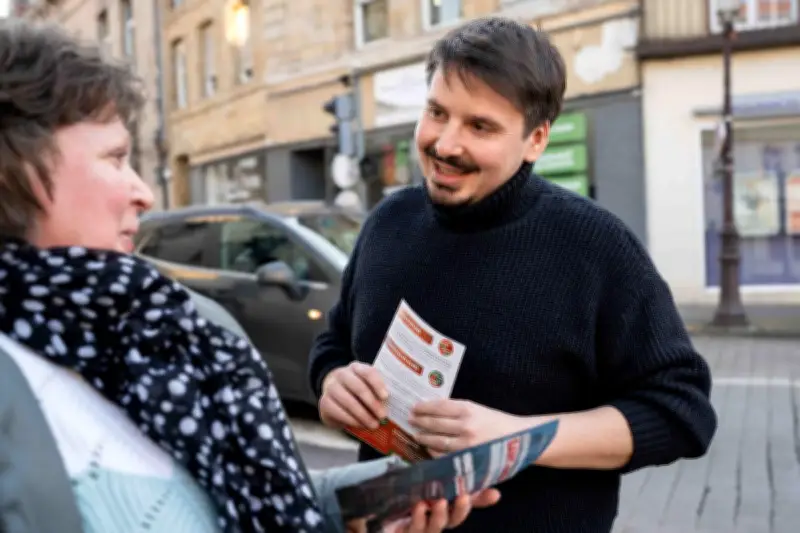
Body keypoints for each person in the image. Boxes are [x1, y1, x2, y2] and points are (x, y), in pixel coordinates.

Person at [0, 19, 499, 533]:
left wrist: (380, 495)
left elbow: (264, 494)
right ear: (13, 171)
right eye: (114, 158)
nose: (143, 193)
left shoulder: (179, 325)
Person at [309, 16, 718, 533]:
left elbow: (681, 412)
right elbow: (334, 344)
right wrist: (332, 383)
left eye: (479, 126)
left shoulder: (595, 247)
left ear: (535, 140)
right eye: (437, 113)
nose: (445, 144)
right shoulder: (387, 223)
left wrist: (520, 438)